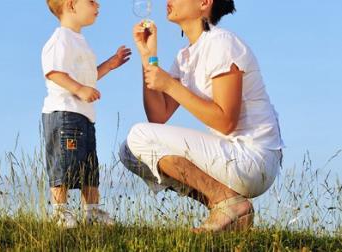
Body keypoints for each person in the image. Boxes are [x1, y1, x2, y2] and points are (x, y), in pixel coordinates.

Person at [119, 0, 284, 232]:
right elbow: (158, 115)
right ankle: (230, 210)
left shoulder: (222, 43)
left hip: (253, 159)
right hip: (230, 157)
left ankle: (227, 203)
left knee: (138, 135)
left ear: (204, 3)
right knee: (129, 152)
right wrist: (148, 56)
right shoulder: (186, 56)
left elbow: (226, 121)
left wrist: (169, 85)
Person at [42, 0, 131, 228]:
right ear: (72, 5)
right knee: (64, 163)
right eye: (91, 1)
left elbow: (87, 77)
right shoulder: (61, 38)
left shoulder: (80, 41)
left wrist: (110, 64)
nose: (97, 4)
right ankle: (60, 211)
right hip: (64, 114)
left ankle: (91, 212)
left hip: (84, 116)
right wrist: (79, 89)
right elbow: (53, 72)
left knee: (89, 166)